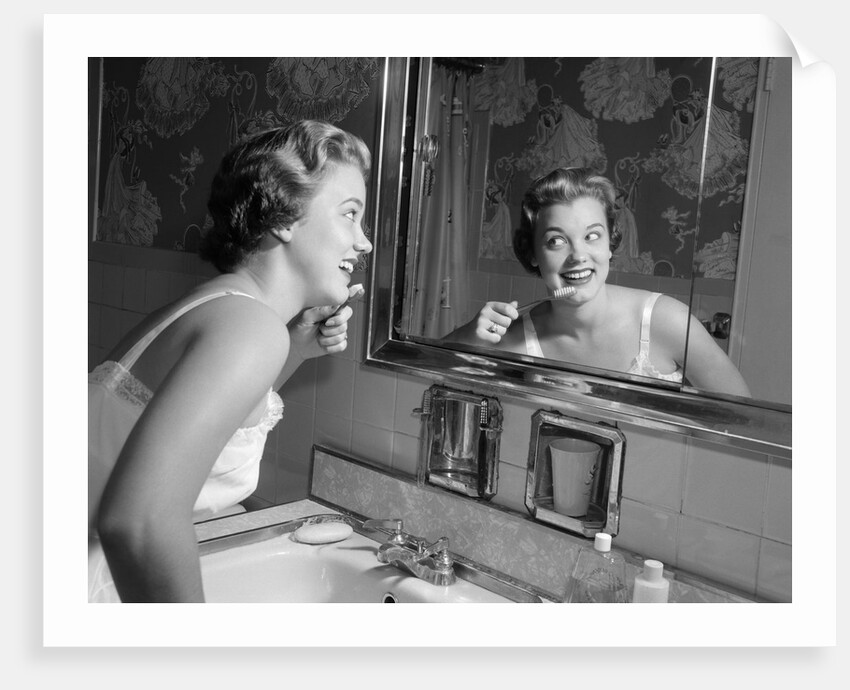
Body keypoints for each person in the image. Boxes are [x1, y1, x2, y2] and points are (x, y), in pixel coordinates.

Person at [88, 120, 373, 602]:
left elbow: (208, 430)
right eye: (350, 214)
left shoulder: (212, 307)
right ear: (284, 214)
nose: (363, 242)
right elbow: (137, 522)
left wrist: (298, 347)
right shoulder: (251, 329)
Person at [445, 167, 750, 397]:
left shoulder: (667, 321)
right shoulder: (512, 338)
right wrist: (469, 336)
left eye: (592, 236)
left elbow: (742, 425)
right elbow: (469, 404)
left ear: (610, 243)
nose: (579, 255)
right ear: (533, 253)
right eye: (556, 241)